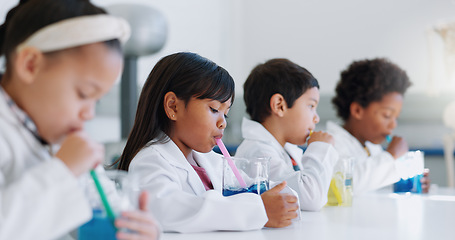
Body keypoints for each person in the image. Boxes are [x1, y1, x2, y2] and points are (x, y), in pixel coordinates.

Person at [0, 0, 159, 239]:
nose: (89, 114)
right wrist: (64, 170)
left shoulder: (58, 136)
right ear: (30, 65)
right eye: (84, 94)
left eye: (97, 101)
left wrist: (138, 227)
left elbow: (101, 208)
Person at [115, 52, 299, 233]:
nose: (223, 122)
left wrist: (281, 196)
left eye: (225, 113)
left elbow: (256, 187)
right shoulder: (150, 160)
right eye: (214, 109)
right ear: (173, 106)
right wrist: (257, 210)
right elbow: (166, 208)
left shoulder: (211, 161)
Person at [235, 58, 339, 211]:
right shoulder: (258, 153)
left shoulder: (285, 149)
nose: (316, 118)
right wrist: (321, 148)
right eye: (310, 106)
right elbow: (310, 198)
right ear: (279, 106)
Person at [328, 58, 430, 194]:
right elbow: (347, 184)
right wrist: (390, 156)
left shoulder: (372, 148)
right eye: (387, 115)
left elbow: (377, 185)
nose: (393, 124)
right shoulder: (331, 144)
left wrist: (411, 182)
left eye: (396, 117)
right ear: (357, 110)